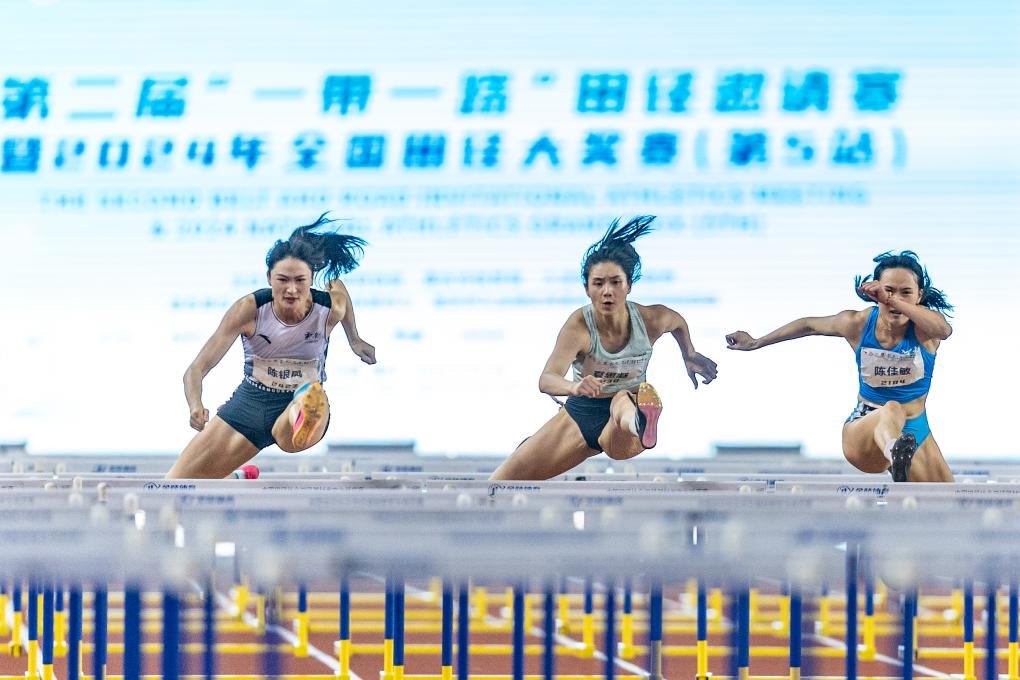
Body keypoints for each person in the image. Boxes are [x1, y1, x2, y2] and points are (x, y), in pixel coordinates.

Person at [490, 216, 719, 480]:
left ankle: (640, 421)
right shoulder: (579, 327)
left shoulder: (650, 320)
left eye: (615, 282)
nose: (607, 291)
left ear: (629, 286)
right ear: (587, 289)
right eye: (598, 283)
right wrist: (574, 387)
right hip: (581, 414)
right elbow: (547, 379)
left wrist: (689, 354)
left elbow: (677, 322)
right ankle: (631, 421)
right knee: (500, 483)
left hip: (627, 414)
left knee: (621, 401)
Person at [166, 214, 376, 479]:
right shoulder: (249, 310)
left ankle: (305, 411)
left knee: (295, 421)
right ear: (269, 278)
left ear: (311, 279)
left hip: (302, 401)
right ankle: (239, 477)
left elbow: (340, 292)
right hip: (251, 403)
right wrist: (195, 405)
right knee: (175, 483)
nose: (291, 290)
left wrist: (355, 339)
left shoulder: (328, 308)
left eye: (300, 280)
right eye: (282, 280)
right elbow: (196, 368)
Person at [725, 250, 954, 482]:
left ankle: (900, 457)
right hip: (863, 430)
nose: (895, 299)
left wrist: (891, 299)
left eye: (906, 293)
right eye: (889, 290)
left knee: (948, 497)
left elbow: (944, 331)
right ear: (876, 292)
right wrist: (756, 342)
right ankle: (895, 452)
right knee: (892, 408)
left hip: (914, 429)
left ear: (919, 295)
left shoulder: (926, 329)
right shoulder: (858, 324)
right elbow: (809, 325)